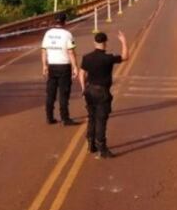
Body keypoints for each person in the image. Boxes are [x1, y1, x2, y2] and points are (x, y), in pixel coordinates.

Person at [79, 30, 129, 158]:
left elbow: (81, 73)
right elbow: (125, 57)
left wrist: (83, 88)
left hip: (89, 90)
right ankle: (102, 148)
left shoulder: (87, 57)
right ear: (105, 43)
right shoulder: (108, 58)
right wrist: (123, 42)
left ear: (94, 42)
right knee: (101, 120)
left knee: (91, 117)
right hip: (102, 92)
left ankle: (91, 144)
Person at [41, 12, 80, 126]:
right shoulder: (67, 34)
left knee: (50, 93)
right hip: (64, 66)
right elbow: (71, 52)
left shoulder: (48, 34)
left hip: (52, 66)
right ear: (65, 22)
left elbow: (44, 50)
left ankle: (49, 117)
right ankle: (65, 118)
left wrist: (44, 65)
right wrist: (75, 67)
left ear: (55, 21)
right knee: (64, 93)